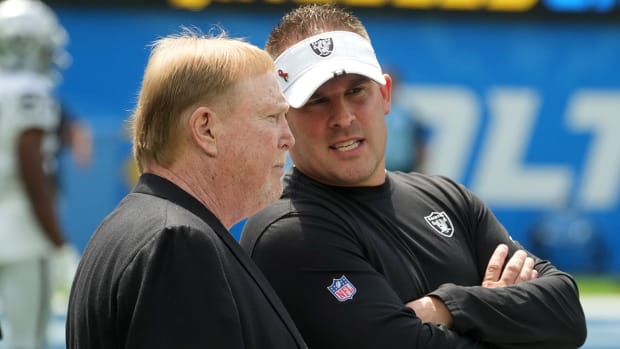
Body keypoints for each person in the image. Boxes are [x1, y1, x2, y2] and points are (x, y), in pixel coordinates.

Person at [240, 4, 587, 349]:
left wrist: (445, 307)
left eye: (356, 91)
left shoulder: (450, 199)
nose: (342, 117)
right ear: (282, 116)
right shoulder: (287, 232)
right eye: (316, 100)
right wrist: (505, 317)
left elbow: (568, 313)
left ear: (386, 94)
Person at [66, 30, 305, 349]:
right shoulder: (177, 243)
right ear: (206, 129)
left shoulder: (140, 226)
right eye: (272, 117)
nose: (288, 138)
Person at [0, 0, 74, 348]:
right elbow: (30, 169)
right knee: (26, 340)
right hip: (22, 233)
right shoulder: (28, 92)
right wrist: (57, 242)